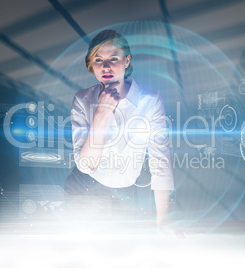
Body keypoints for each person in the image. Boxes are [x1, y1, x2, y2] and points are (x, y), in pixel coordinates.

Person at [65, 29, 174, 229]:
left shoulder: (150, 100)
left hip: (129, 189)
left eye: (113, 58)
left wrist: (163, 221)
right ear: (91, 65)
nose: (106, 66)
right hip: (85, 186)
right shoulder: (82, 100)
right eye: (98, 60)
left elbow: (161, 160)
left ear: (127, 60)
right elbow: (86, 165)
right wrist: (101, 114)